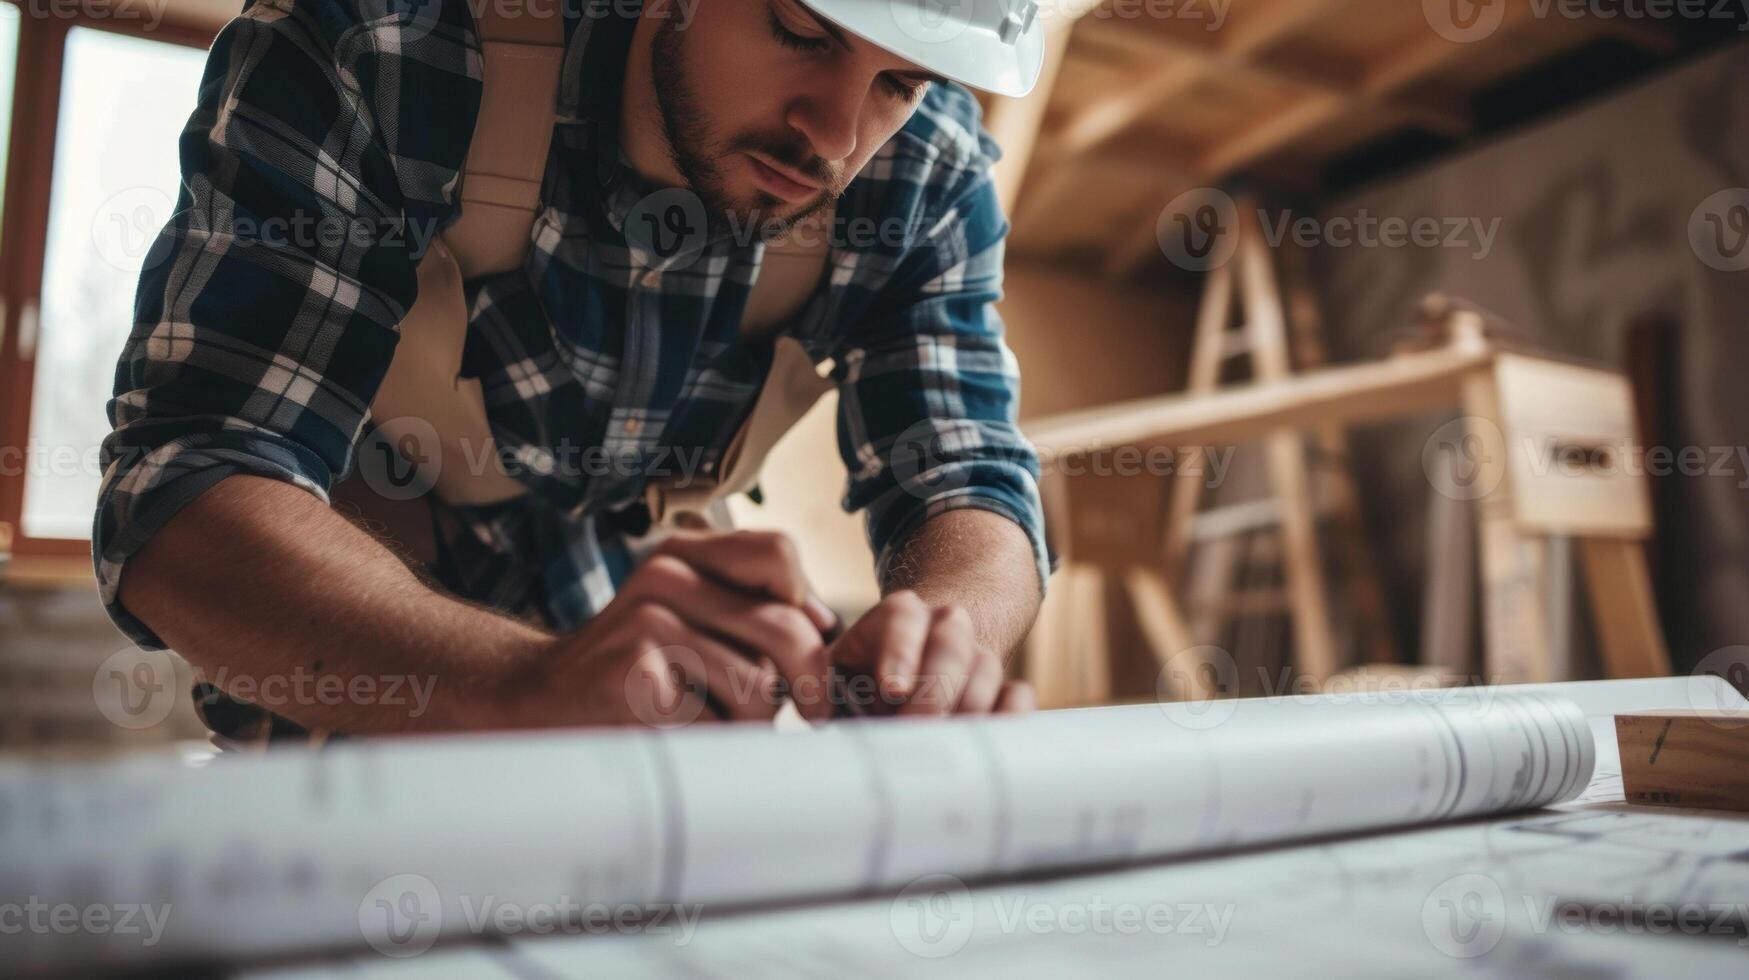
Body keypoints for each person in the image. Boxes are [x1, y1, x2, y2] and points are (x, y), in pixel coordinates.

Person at [96, 0, 1054, 736]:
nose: (837, 137)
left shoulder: (926, 178)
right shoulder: (381, 47)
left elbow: (969, 476)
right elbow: (187, 488)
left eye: (903, 83)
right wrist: (522, 686)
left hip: (648, 677)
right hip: (359, 643)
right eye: (800, 30)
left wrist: (947, 629)